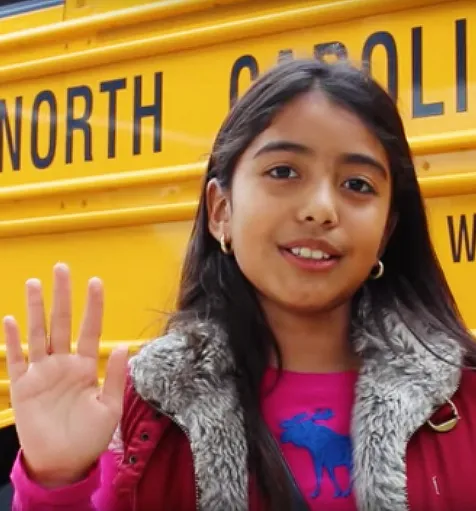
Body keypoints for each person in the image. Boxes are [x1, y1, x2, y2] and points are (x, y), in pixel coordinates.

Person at [5, 58, 476, 511]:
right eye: (284, 172)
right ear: (220, 211)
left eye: (357, 185)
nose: (320, 208)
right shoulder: (147, 406)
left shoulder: (462, 398)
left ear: (386, 232)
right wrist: (55, 482)